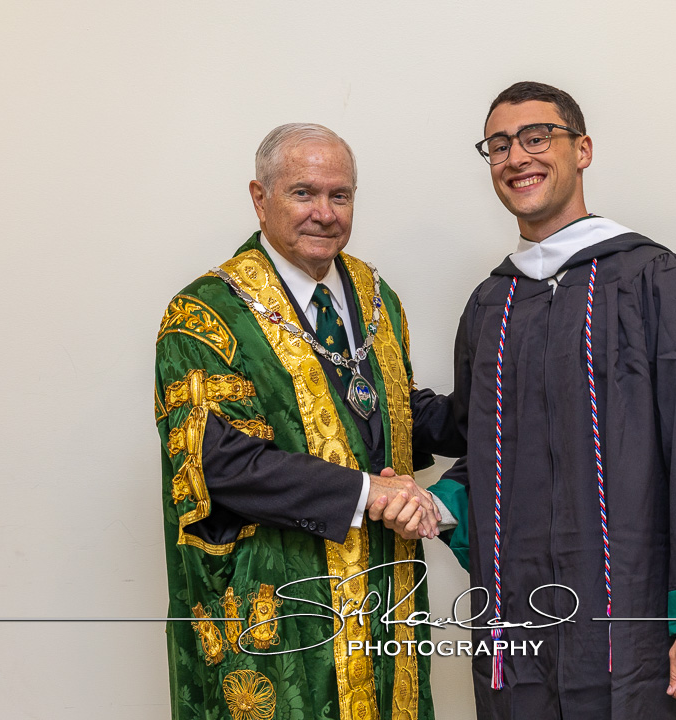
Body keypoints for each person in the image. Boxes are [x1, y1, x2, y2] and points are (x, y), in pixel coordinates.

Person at [427, 82, 676, 719]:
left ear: (582, 149)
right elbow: (488, 449)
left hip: (638, 623)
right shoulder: (492, 306)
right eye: (499, 146)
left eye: (537, 137)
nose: (517, 156)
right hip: (519, 623)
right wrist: (439, 504)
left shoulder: (656, 279)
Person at [154, 123, 460, 720]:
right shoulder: (206, 314)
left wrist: (506, 406)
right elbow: (220, 464)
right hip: (277, 613)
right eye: (303, 193)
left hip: (384, 597)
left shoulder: (374, 295)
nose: (324, 213)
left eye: (339, 196)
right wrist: (371, 494)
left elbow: (382, 412)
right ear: (259, 197)